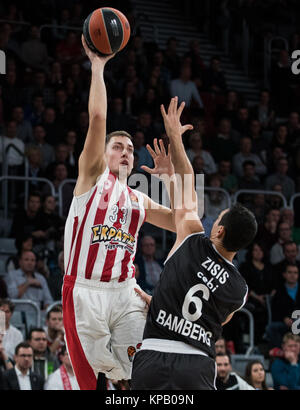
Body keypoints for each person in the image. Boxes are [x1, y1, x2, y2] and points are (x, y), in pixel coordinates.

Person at [62, 37, 178, 391]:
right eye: (117, 146)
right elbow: (98, 117)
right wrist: (98, 66)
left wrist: (174, 177)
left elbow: (184, 222)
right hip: (84, 292)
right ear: (104, 153)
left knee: (145, 374)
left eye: (130, 148)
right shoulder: (90, 181)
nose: (125, 151)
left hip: (125, 291)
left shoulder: (137, 199)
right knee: (93, 384)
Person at [131, 97, 257, 390]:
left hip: (153, 353)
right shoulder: (240, 290)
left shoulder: (192, 238)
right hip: (196, 366)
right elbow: (212, 320)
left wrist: (175, 136)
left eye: (218, 219)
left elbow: (188, 182)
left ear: (220, 230)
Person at [265, 264, 300, 348]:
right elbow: (275, 309)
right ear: (284, 274)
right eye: (290, 272)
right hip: (285, 323)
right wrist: (284, 318)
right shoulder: (279, 291)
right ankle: (281, 351)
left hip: (299, 322)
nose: (292, 275)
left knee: (297, 325)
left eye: (295, 273)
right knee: (271, 328)